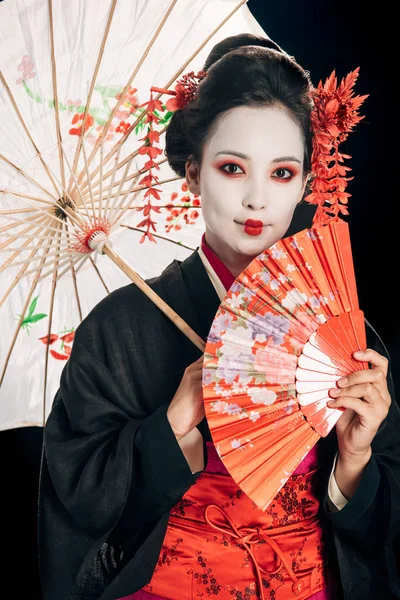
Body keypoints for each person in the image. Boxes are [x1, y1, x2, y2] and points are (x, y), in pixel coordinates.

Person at [38, 34, 400, 600]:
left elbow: (381, 531)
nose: (258, 200)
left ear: (307, 181)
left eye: (282, 173)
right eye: (233, 168)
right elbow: (75, 499)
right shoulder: (119, 330)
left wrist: (354, 457)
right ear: (192, 175)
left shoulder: (345, 330)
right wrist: (172, 422)